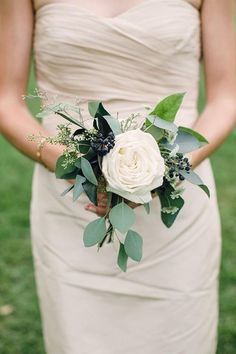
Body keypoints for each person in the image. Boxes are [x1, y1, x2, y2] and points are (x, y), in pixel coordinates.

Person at [0, 0, 236, 353]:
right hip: (71, 208)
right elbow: (6, 99)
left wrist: (165, 169)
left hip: (175, 212)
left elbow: (226, 98)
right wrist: (73, 163)